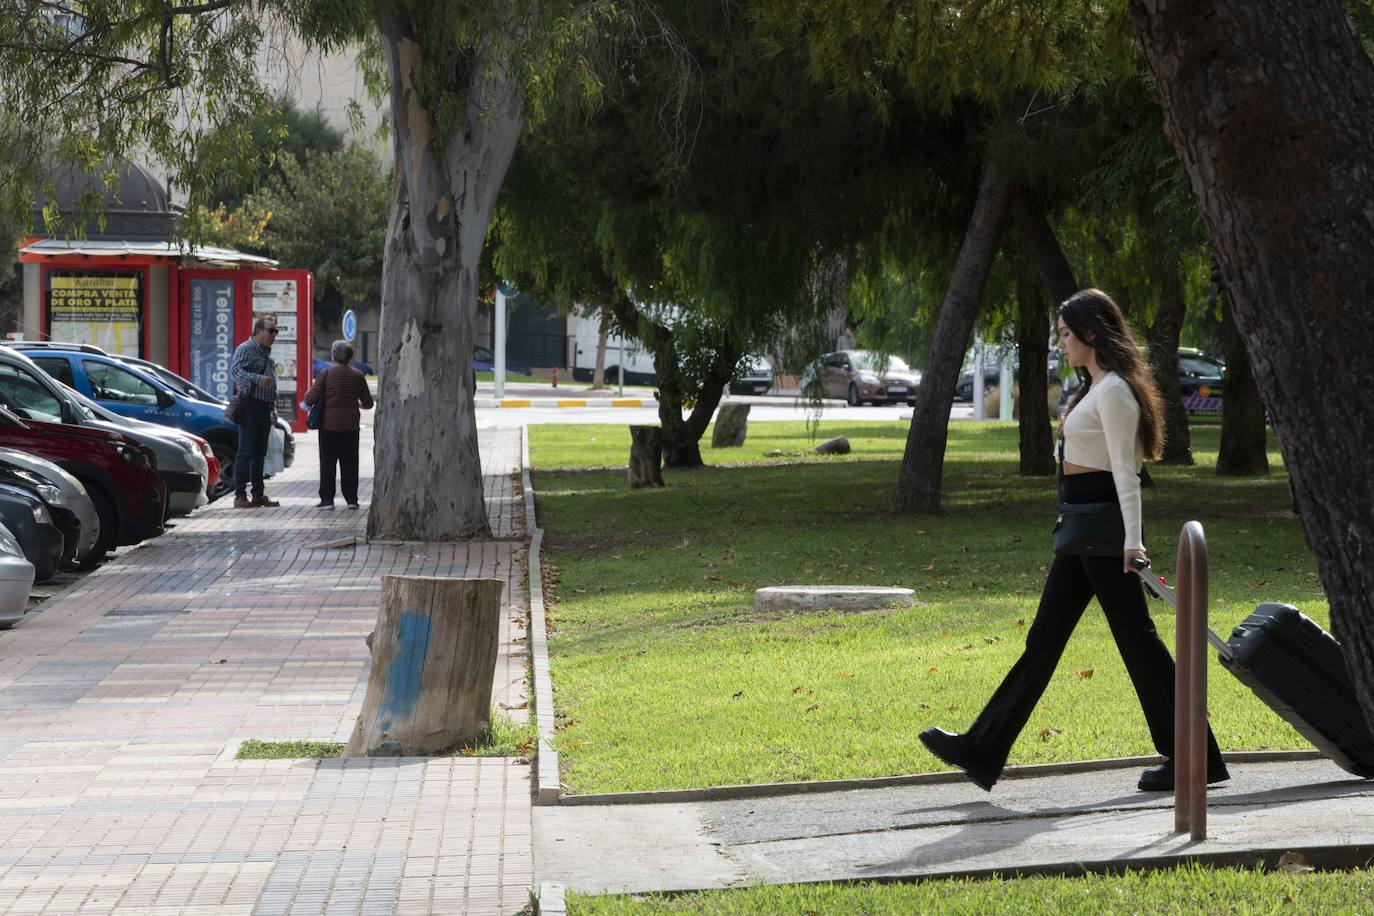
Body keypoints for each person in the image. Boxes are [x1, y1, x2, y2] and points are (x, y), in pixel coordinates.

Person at [919, 289, 1230, 793]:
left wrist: (1133, 543)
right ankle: (981, 749)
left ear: (1090, 333)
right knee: (1046, 642)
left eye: (1065, 333)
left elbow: (1127, 475)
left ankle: (1196, 758)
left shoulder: (1112, 392)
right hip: (1081, 529)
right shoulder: (1096, 387)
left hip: (1105, 534)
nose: (1060, 343)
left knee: (1139, 645)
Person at [302, 339, 374, 509]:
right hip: (351, 427)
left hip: (329, 427)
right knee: (350, 463)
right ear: (350, 357)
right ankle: (352, 500)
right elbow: (369, 403)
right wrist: (358, 404)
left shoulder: (326, 374)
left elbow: (310, 399)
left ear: (334, 355)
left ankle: (327, 500)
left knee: (328, 463)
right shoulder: (358, 376)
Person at [230, 316, 280, 509]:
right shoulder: (245, 349)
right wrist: (257, 379)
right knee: (245, 452)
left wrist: (273, 408)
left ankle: (258, 494)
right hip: (250, 406)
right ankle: (240, 496)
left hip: (265, 408)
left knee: (260, 454)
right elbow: (235, 371)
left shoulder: (267, 353)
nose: (273, 335)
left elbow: (272, 383)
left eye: (275, 331)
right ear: (258, 331)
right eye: (270, 331)